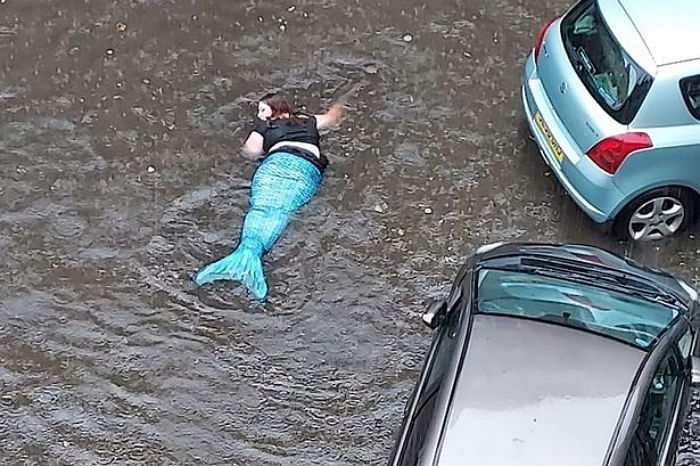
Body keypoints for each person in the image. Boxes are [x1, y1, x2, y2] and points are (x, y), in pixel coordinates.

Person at [194, 91, 350, 300]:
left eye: (262, 109)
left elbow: (251, 152)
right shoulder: (307, 120)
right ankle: (250, 258)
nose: (260, 114)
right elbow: (332, 118)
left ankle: (245, 255)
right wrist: (344, 99)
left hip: (275, 165)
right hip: (306, 170)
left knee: (261, 206)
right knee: (282, 209)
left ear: (276, 108)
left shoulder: (264, 127)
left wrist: (257, 132)